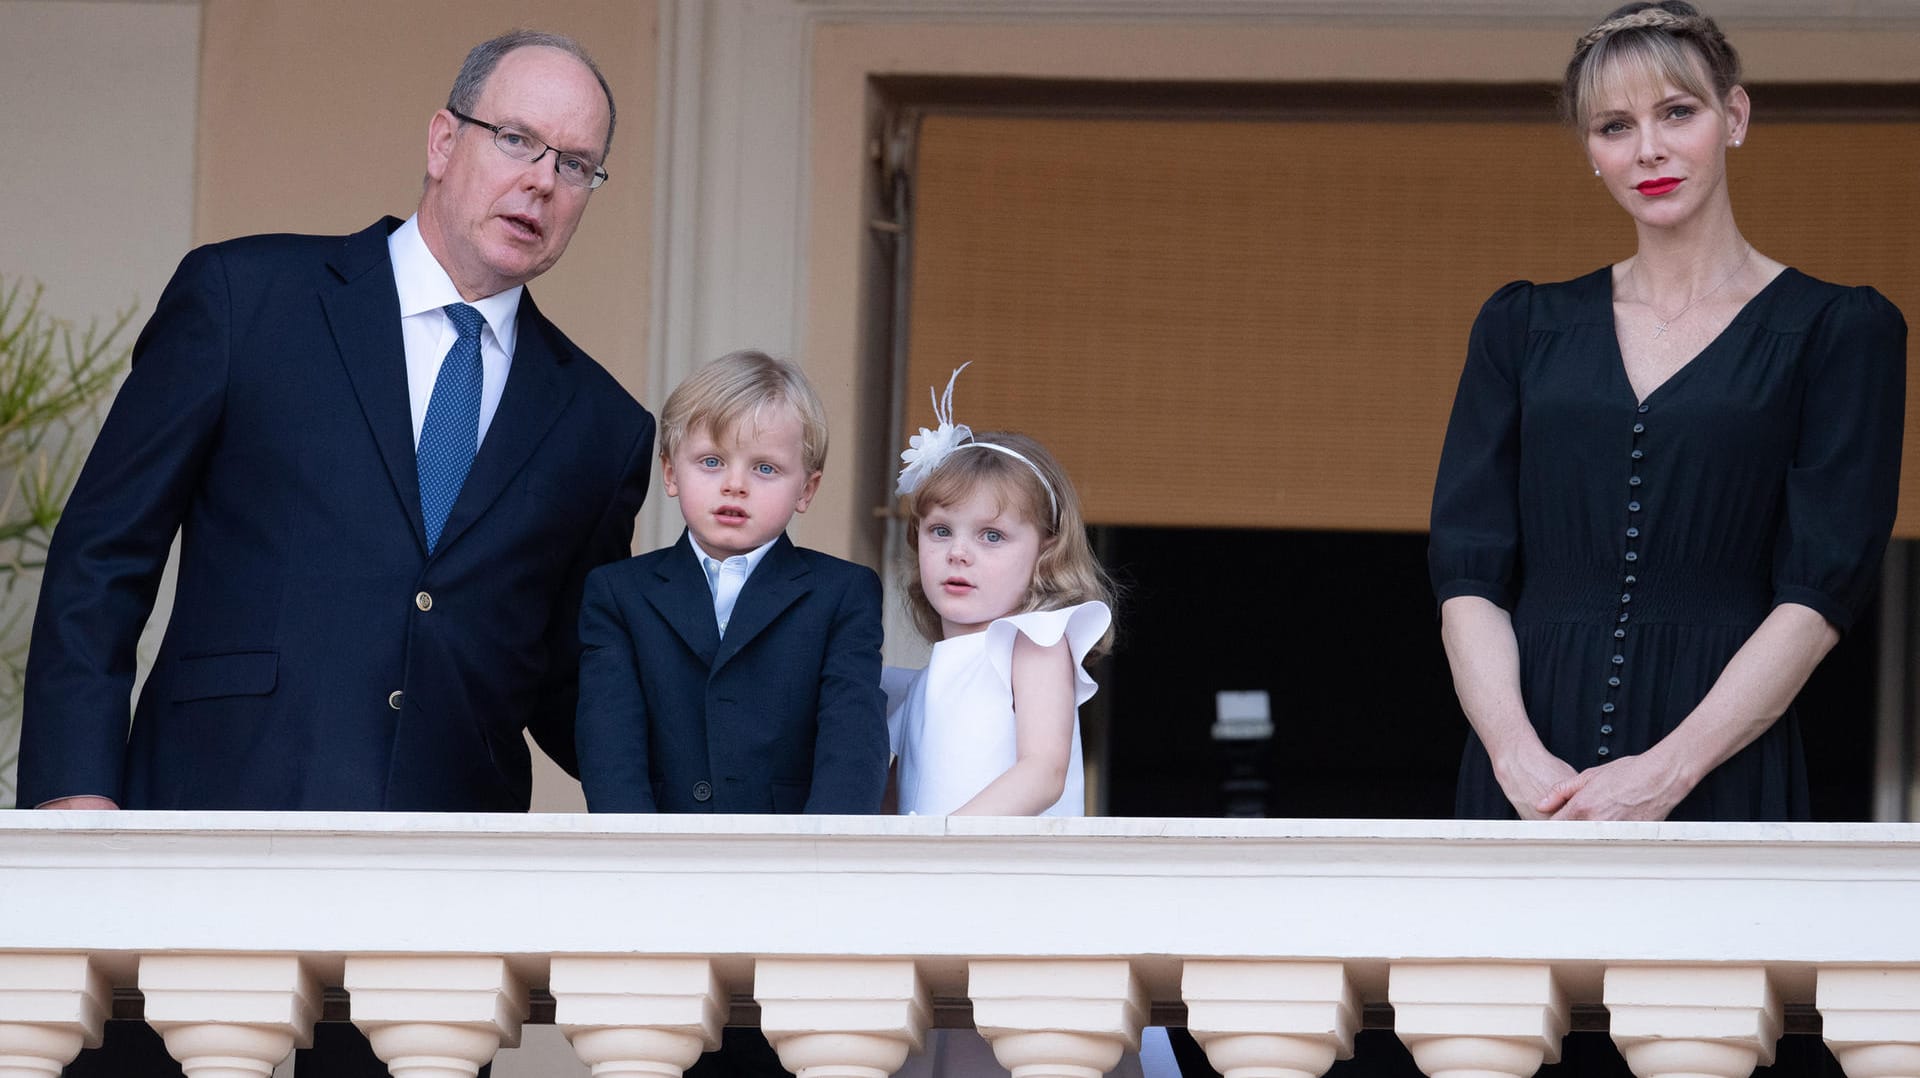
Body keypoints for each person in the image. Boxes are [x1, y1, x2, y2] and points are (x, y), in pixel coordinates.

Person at [19, 29, 654, 1077]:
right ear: (444, 140)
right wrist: (73, 800)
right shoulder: (244, 298)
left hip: (434, 925)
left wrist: (741, 729)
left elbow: (567, 681)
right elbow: (103, 555)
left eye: (574, 164)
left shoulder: (599, 426)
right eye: (516, 140)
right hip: (196, 853)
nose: (541, 181)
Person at [1429, 1, 1906, 824]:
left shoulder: (1839, 332)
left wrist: (1669, 771)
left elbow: (1820, 593)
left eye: (1677, 112)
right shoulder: (1521, 326)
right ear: (1591, 152)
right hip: (1528, 775)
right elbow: (1469, 573)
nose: (1648, 148)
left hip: (1722, 761)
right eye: (1614, 126)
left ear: (1735, 116)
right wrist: (1516, 757)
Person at [883, 368, 1178, 1078]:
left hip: (1018, 899)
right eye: (940, 530)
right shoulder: (915, 684)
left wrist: (941, 845)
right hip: (943, 905)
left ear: (1044, 551)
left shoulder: (1033, 643)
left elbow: (1042, 770)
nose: (958, 551)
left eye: (992, 535)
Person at [574, 349, 888, 815]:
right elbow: (609, 747)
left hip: (794, 864)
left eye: (765, 468)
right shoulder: (619, 594)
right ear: (669, 472)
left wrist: (821, 862)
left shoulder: (843, 593)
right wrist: (637, 857)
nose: (734, 485)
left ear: (806, 489)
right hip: (659, 860)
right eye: (711, 461)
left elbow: (852, 744)